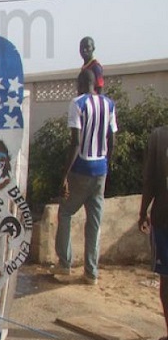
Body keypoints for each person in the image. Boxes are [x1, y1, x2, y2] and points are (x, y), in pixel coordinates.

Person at [54, 68, 117, 285]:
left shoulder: (78, 103)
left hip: (81, 169)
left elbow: (75, 142)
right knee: (94, 221)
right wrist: (107, 163)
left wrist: (64, 176)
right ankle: (91, 272)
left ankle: (64, 264)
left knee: (65, 212)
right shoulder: (109, 104)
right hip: (101, 170)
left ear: (80, 84)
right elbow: (112, 139)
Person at [138, 125, 168, 340]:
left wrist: (143, 212)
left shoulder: (159, 137)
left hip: (164, 218)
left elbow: (150, 180)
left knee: (166, 281)